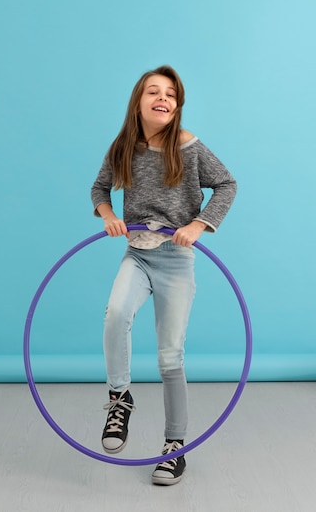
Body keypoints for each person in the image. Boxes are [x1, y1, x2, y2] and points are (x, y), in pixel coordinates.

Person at [91, 65, 237, 485]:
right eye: (154, 91)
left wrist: (198, 225)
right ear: (138, 102)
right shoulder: (123, 146)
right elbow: (99, 188)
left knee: (170, 356)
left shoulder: (189, 148)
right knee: (116, 314)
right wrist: (108, 215)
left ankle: (176, 447)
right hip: (137, 254)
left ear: (177, 105)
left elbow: (226, 184)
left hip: (176, 259)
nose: (163, 98)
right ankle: (120, 397)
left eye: (171, 94)